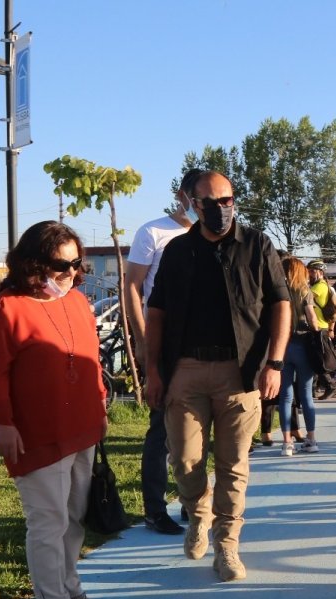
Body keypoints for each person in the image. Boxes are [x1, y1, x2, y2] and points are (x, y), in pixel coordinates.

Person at [144, 170, 291, 582]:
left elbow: (281, 306)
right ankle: (198, 512)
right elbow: (157, 313)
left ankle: (227, 545)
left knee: (233, 464)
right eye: (209, 202)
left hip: (240, 373)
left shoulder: (258, 246)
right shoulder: (177, 252)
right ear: (191, 203)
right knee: (186, 460)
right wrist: (153, 370)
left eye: (226, 200)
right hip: (185, 371)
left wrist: (274, 363)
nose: (220, 209)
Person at [0, 220, 110, 599]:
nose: (71, 273)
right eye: (61, 264)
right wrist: (2, 423)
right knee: (48, 521)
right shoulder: (4, 309)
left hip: (82, 425)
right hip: (36, 433)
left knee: (73, 518)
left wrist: (101, 406)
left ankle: (69, 588)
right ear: (33, 262)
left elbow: (90, 360)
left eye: (77, 264)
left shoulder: (76, 302)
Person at [123, 169, 203, 535]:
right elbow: (132, 287)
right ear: (183, 195)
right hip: (164, 343)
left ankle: (193, 502)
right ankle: (155, 509)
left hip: (203, 347)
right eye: (199, 196)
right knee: (161, 429)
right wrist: (142, 343)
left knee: (200, 427)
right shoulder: (153, 232)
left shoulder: (213, 236)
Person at [278, 257, 323, 456]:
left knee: (285, 396)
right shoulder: (305, 291)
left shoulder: (278, 291)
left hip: (282, 347)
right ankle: (311, 439)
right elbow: (313, 320)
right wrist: (318, 330)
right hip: (303, 345)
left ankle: (287, 442)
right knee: (306, 395)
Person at [307, 260, 336, 401]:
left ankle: (331, 386)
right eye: (308, 271)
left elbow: (304, 297)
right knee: (314, 360)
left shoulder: (320, 286)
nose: (309, 273)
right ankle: (314, 389)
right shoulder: (317, 285)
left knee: (318, 360)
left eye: (312, 271)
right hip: (317, 327)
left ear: (320, 273)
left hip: (319, 327)